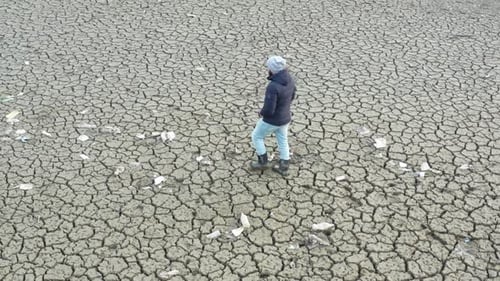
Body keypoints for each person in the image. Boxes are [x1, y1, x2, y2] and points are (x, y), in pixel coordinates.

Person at [250, 55, 296, 176]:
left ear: (272, 69)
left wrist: (261, 113)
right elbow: (292, 95)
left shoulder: (273, 86)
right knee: (282, 139)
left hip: (272, 120)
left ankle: (263, 161)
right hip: (285, 117)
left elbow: (269, 109)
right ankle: (284, 164)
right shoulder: (290, 79)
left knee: (257, 136)